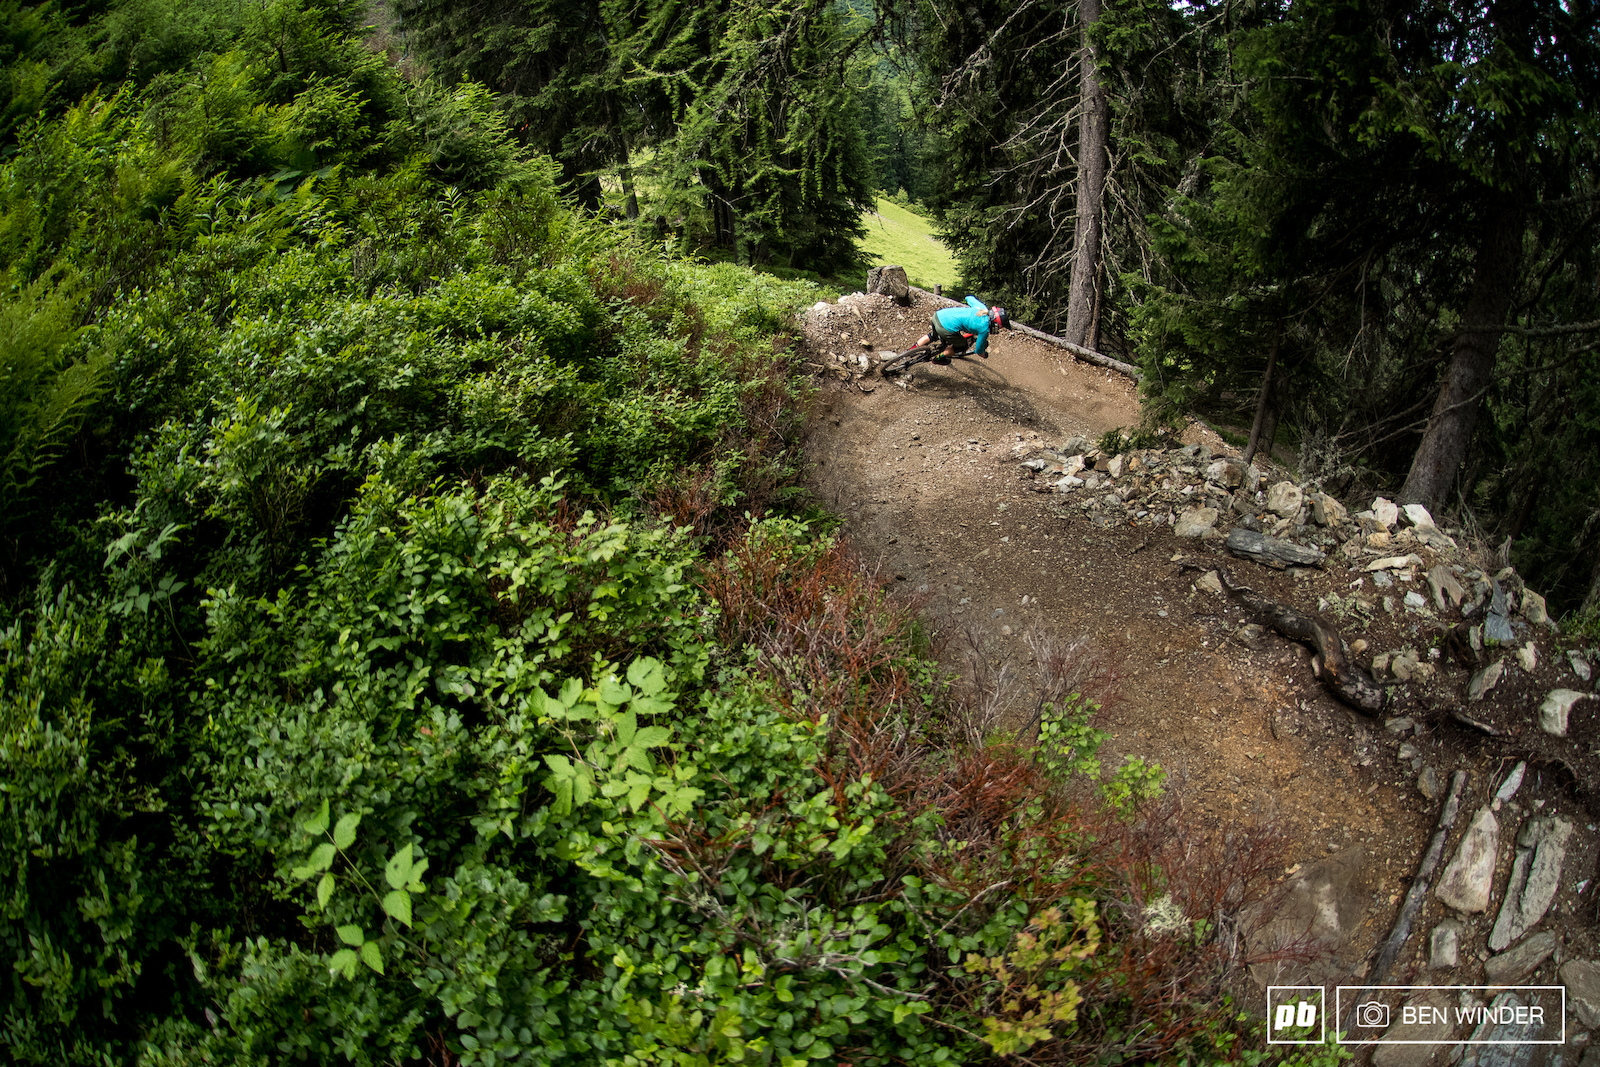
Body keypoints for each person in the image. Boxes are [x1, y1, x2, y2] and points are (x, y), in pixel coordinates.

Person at [912, 295, 1012, 363]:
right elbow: (978, 350)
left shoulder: (982, 307)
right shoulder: (984, 329)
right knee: (961, 346)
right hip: (946, 328)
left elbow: (968, 298)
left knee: (933, 336)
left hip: (938, 316)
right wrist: (984, 355)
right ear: (994, 322)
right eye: (998, 326)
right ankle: (938, 359)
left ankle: (910, 351)